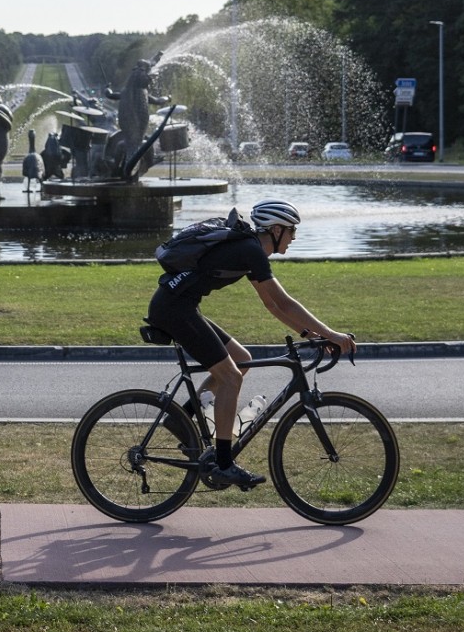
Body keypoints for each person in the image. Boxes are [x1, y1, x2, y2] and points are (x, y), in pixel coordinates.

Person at [145, 199, 355, 490]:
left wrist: (312, 335)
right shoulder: (250, 250)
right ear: (277, 229)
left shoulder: (249, 249)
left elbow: (273, 306)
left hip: (180, 307)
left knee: (241, 360)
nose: (293, 238)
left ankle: (182, 420)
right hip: (173, 311)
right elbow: (283, 303)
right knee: (229, 376)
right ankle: (223, 464)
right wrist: (331, 335)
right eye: (292, 231)